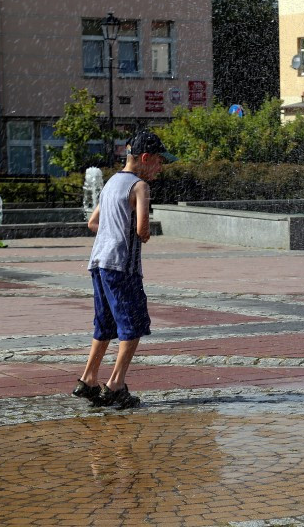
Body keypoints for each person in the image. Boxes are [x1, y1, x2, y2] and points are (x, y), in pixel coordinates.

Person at [71, 131, 174, 409]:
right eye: (159, 161)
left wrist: (112, 231)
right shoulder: (140, 186)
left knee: (105, 323)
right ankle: (115, 385)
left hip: (99, 262)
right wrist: (142, 233)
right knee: (133, 323)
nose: (160, 167)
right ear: (145, 158)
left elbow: (93, 223)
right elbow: (142, 230)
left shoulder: (111, 182)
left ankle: (88, 379)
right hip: (122, 265)